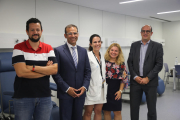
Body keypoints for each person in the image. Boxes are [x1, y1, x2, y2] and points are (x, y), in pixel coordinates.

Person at [12, 18, 58, 120]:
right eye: (32, 30)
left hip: (44, 96)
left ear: (41, 31)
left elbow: (54, 70)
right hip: (23, 97)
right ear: (27, 32)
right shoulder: (18, 48)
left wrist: (33, 67)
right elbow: (21, 73)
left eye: (37, 30)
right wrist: (45, 70)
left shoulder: (48, 48)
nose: (35, 32)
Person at [52, 24, 91, 120]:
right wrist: (67, 88)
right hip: (66, 93)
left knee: (78, 118)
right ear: (65, 35)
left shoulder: (83, 51)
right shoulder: (58, 50)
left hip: (80, 93)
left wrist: (84, 87)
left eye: (75, 33)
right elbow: (55, 73)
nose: (73, 36)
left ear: (78, 34)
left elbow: (87, 71)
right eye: (70, 33)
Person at [127, 25, 163, 120]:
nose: (145, 33)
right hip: (136, 82)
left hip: (150, 82)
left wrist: (148, 78)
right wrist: (134, 76)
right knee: (134, 108)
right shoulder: (134, 45)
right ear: (140, 33)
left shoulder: (157, 46)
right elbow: (129, 62)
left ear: (151, 33)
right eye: (143, 31)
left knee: (151, 109)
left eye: (148, 31)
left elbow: (159, 65)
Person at [83, 34, 108, 120]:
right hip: (91, 88)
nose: (97, 44)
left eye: (99, 41)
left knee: (98, 111)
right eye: (95, 42)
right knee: (88, 112)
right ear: (90, 44)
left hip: (101, 88)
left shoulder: (102, 55)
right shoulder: (87, 56)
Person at [102, 43, 129, 120]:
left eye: (116, 51)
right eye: (112, 50)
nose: (113, 52)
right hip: (105, 90)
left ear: (119, 52)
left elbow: (124, 79)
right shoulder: (104, 62)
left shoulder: (122, 64)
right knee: (106, 111)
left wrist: (120, 91)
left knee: (117, 112)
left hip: (116, 90)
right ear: (109, 51)